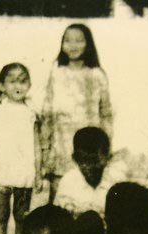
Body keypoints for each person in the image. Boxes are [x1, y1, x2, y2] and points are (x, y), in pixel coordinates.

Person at [42, 23, 114, 202]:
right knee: (59, 200)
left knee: (86, 198)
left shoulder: (97, 75)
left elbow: (106, 114)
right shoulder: (56, 74)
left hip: (88, 148)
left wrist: (105, 147)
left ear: (88, 44)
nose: (72, 46)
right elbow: (47, 112)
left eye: (79, 41)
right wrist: (45, 147)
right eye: (67, 41)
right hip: (61, 146)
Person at [0, 63, 42, 234]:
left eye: (23, 81)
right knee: (0, 216)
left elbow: (36, 144)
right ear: (2, 86)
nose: (18, 86)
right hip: (1, 169)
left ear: (29, 85)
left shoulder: (32, 112)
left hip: (24, 170)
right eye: (12, 81)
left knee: (21, 216)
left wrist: (38, 173)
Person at [54, 127, 126, 219]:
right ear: (74, 158)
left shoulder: (116, 181)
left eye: (94, 161)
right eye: (82, 160)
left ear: (108, 157)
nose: (88, 167)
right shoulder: (68, 183)